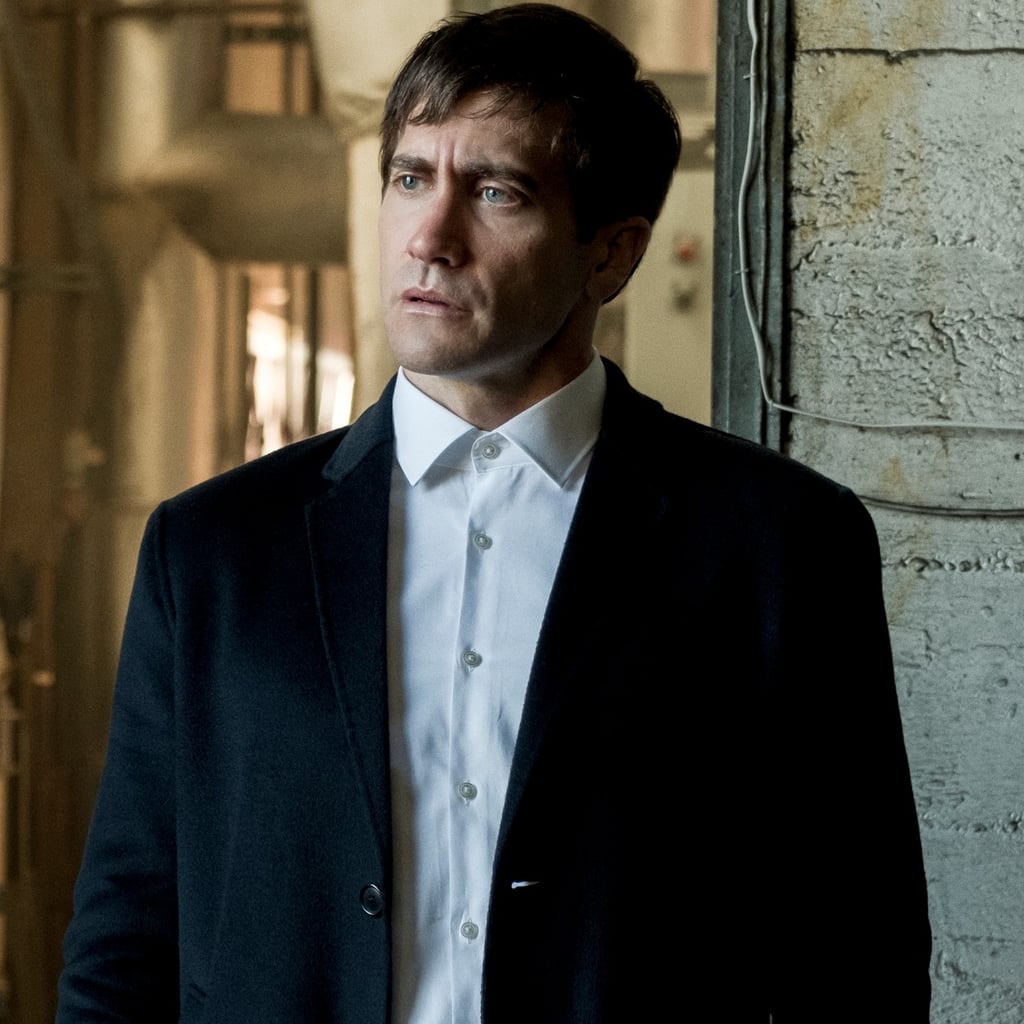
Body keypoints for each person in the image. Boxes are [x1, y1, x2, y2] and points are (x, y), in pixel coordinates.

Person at [57, 4, 931, 1022]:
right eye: (409, 178)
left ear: (611, 254)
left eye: (495, 192)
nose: (430, 239)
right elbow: (126, 942)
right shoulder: (213, 552)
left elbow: (858, 954)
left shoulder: (778, 545)